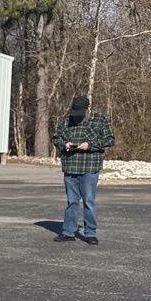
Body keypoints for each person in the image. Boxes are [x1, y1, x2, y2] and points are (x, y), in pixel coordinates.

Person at [51, 95, 115, 245]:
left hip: (90, 166)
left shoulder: (100, 120)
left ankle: (90, 233)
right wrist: (64, 144)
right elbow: (56, 138)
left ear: (87, 109)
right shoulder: (66, 121)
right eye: (75, 112)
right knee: (72, 201)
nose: (77, 116)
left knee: (88, 201)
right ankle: (68, 232)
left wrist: (90, 145)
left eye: (80, 112)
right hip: (71, 166)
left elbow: (110, 139)